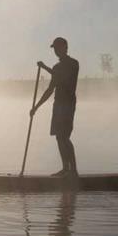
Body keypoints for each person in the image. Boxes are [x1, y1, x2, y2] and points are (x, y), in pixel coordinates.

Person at [30, 37, 79, 176]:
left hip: (68, 105)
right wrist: (36, 107)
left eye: (58, 48)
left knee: (64, 137)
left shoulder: (73, 64)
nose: (56, 51)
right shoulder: (56, 67)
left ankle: (73, 171)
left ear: (65, 47)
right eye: (55, 49)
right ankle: (65, 169)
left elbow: (63, 78)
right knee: (59, 137)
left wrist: (45, 67)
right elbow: (50, 89)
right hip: (58, 105)